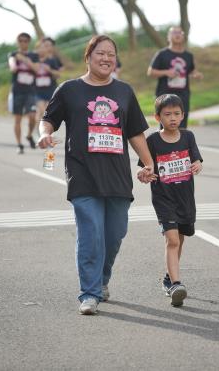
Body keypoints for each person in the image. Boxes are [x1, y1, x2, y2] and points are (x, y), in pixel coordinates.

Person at [38, 34, 155, 315]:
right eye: (100, 53)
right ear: (88, 57)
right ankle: (89, 293)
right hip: (83, 173)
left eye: (111, 55)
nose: (106, 59)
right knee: (91, 234)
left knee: (114, 234)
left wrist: (148, 163)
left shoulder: (124, 91)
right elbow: (48, 119)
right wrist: (44, 135)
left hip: (116, 174)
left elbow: (136, 132)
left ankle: (102, 279)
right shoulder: (69, 89)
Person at [138, 93, 203, 307]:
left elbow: (196, 160)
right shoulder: (153, 141)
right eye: (167, 114)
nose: (173, 118)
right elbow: (144, 169)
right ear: (158, 118)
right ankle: (176, 284)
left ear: (183, 115)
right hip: (164, 198)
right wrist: (144, 175)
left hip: (185, 198)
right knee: (172, 240)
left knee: (180, 238)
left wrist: (197, 165)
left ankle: (168, 278)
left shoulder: (188, 137)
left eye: (177, 114)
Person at [147, 26, 203, 128]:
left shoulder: (188, 56)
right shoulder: (162, 54)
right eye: (174, 33)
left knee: (182, 124)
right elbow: (150, 72)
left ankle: (181, 144)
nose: (177, 35)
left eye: (180, 33)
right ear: (168, 37)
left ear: (183, 37)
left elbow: (191, 70)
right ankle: (163, 143)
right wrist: (166, 72)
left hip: (183, 95)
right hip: (164, 94)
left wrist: (196, 74)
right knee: (166, 125)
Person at [8, 32, 39, 154]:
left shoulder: (33, 55)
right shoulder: (13, 54)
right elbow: (12, 67)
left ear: (29, 42)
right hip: (17, 91)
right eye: (20, 40)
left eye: (25, 41)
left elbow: (36, 68)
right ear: (17, 42)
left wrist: (24, 59)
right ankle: (19, 144)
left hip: (30, 91)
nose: (23, 43)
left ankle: (29, 135)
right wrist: (16, 60)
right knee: (18, 119)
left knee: (32, 117)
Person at [35, 39, 63, 123]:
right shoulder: (33, 61)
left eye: (44, 47)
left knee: (45, 112)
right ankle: (39, 133)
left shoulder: (52, 61)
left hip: (50, 89)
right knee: (42, 110)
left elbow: (58, 74)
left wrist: (49, 70)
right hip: (37, 91)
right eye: (39, 48)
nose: (42, 50)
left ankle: (45, 132)